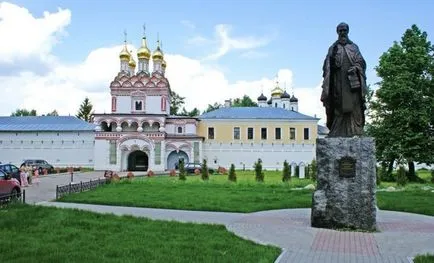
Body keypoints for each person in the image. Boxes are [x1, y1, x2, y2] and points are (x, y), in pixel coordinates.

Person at [320, 22, 368, 137]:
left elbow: (361, 62)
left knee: (354, 106)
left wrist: (356, 67)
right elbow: (326, 66)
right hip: (338, 81)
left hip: (352, 83)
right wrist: (332, 61)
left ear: (348, 31)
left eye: (344, 30)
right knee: (338, 105)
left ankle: (356, 130)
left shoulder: (353, 47)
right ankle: (337, 131)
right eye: (340, 30)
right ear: (337, 32)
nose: (342, 33)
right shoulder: (333, 48)